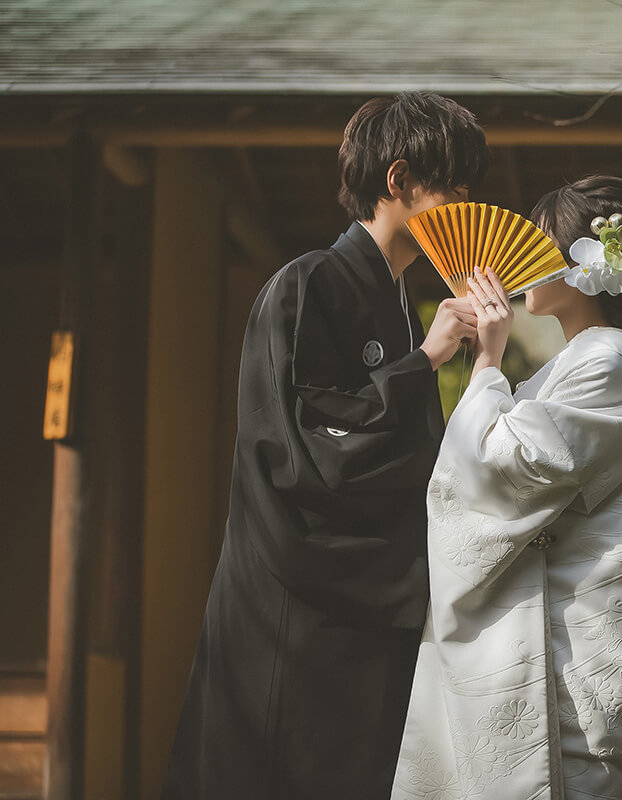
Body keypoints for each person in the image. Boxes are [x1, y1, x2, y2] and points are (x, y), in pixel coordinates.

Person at [162, 92, 487, 800]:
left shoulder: (406, 309)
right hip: (294, 617)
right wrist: (422, 362)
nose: (465, 204)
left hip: (370, 614)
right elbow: (305, 448)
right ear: (398, 181)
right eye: (453, 185)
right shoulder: (305, 285)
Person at [392, 176, 622, 800]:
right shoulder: (577, 371)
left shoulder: (602, 367)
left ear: (588, 267)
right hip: (567, 656)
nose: (525, 265)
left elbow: (499, 474)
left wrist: (486, 364)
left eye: (543, 249)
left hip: (559, 671)